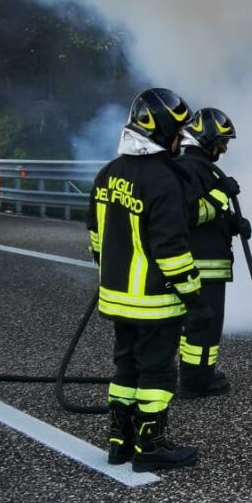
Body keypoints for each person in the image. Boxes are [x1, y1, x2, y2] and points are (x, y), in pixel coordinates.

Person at [86, 88, 212, 472]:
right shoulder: (163, 180)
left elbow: (95, 237)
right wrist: (195, 298)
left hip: (116, 298)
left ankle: (118, 442)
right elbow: (171, 249)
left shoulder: (108, 173)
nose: (179, 140)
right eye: (177, 133)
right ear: (160, 132)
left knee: (125, 369)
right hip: (155, 301)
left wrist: (113, 276)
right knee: (157, 372)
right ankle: (151, 445)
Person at [174, 107, 250, 398]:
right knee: (203, 330)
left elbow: (212, 217)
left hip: (208, 264)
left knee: (202, 328)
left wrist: (234, 224)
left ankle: (199, 375)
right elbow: (191, 213)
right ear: (206, 138)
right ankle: (196, 383)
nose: (223, 149)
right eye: (221, 142)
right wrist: (222, 193)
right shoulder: (191, 168)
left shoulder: (199, 168)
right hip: (202, 266)